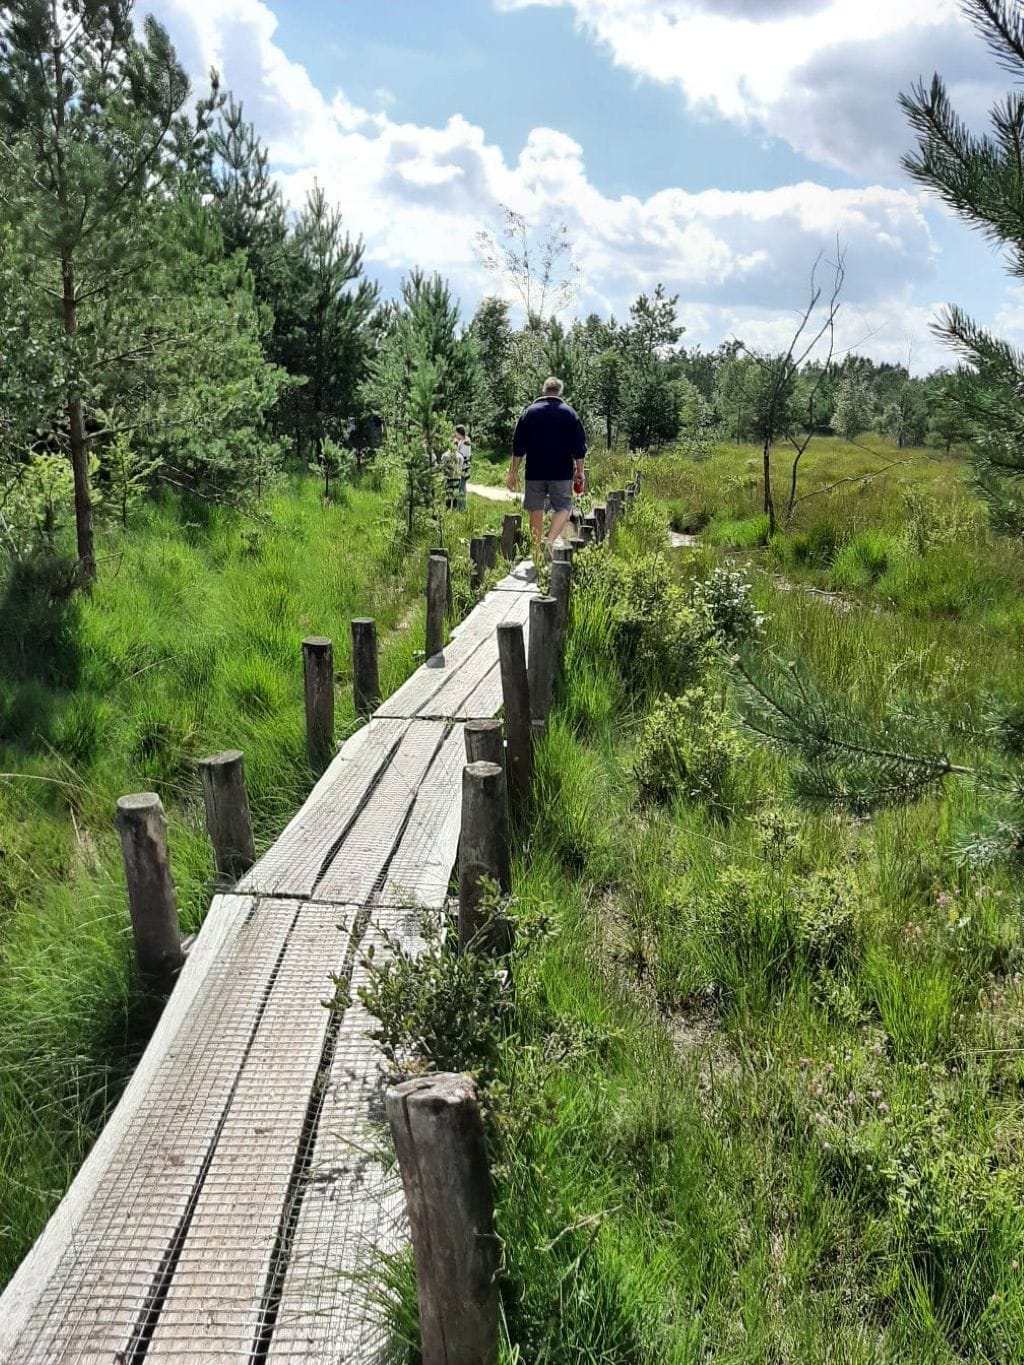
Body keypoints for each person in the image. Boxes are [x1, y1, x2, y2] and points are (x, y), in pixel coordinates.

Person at [506, 377, 586, 564]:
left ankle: (536, 552)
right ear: (559, 392)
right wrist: (580, 471)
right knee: (564, 507)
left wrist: (512, 473)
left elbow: (518, 447)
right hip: (561, 472)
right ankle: (549, 542)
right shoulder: (570, 414)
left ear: (544, 391)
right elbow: (579, 447)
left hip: (535, 471)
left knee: (535, 509)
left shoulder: (529, 413)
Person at [454, 424, 471, 509]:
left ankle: (462, 506)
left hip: (463, 465)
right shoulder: (461, 441)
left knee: (462, 486)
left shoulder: (466, 441)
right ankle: (460, 505)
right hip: (461, 464)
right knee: (461, 486)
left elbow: (463, 454)